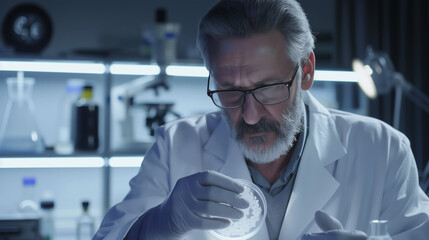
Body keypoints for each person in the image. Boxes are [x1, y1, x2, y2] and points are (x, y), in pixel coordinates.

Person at [94, 0, 429, 239]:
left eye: (268, 89)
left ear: (307, 71)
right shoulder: (175, 147)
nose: (250, 115)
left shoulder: (382, 150)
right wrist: (158, 223)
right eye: (229, 91)